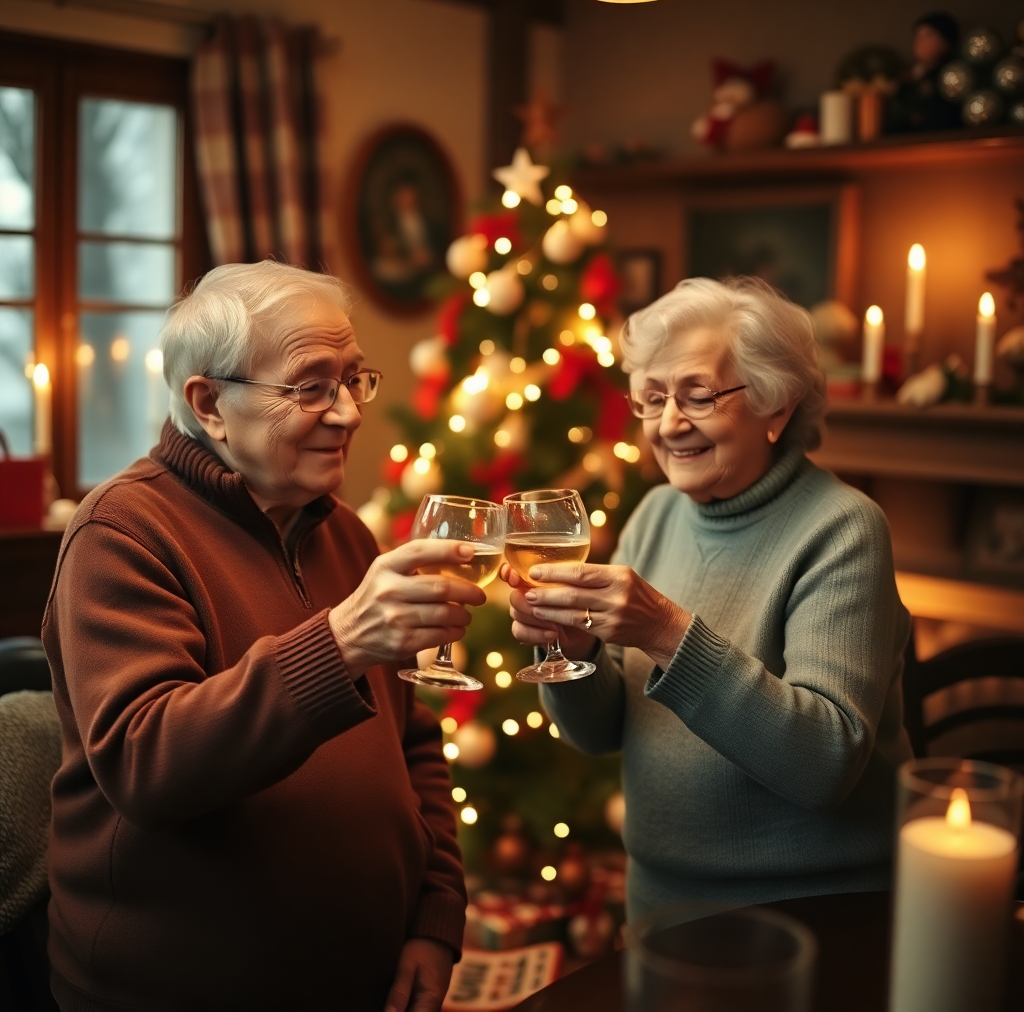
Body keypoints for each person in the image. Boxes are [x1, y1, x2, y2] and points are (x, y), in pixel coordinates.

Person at [42, 260, 482, 1012]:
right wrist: (338, 644)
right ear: (209, 404)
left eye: (353, 379)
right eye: (311, 386)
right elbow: (147, 764)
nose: (346, 412)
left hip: (366, 978)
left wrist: (435, 919)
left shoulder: (346, 534)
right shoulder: (122, 533)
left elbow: (413, 746)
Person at [503, 276, 913, 921]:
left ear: (777, 407)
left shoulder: (843, 529)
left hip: (812, 915)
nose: (669, 424)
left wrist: (667, 632)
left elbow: (826, 765)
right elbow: (598, 733)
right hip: (659, 903)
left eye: (698, 395)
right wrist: (577, 650)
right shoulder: (656, 514)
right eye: (653, 398)